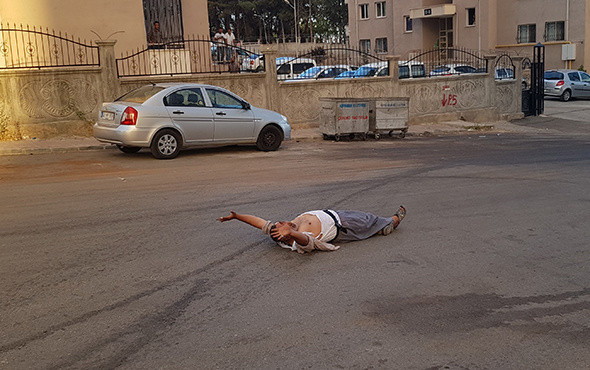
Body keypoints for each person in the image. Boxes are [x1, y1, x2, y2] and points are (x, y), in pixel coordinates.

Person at [218, 206, 406, 254]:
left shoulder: (279, 229)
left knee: (368, 222)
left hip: (335, 213)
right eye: (282, 225)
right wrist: (291, 233)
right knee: (368, 220)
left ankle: (381, 230)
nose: (282, 221)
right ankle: (394, 221)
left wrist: (237, 216)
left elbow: (259, 223)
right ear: (285, 236)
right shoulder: (298, 239)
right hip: (343, 224)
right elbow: (307, 243)